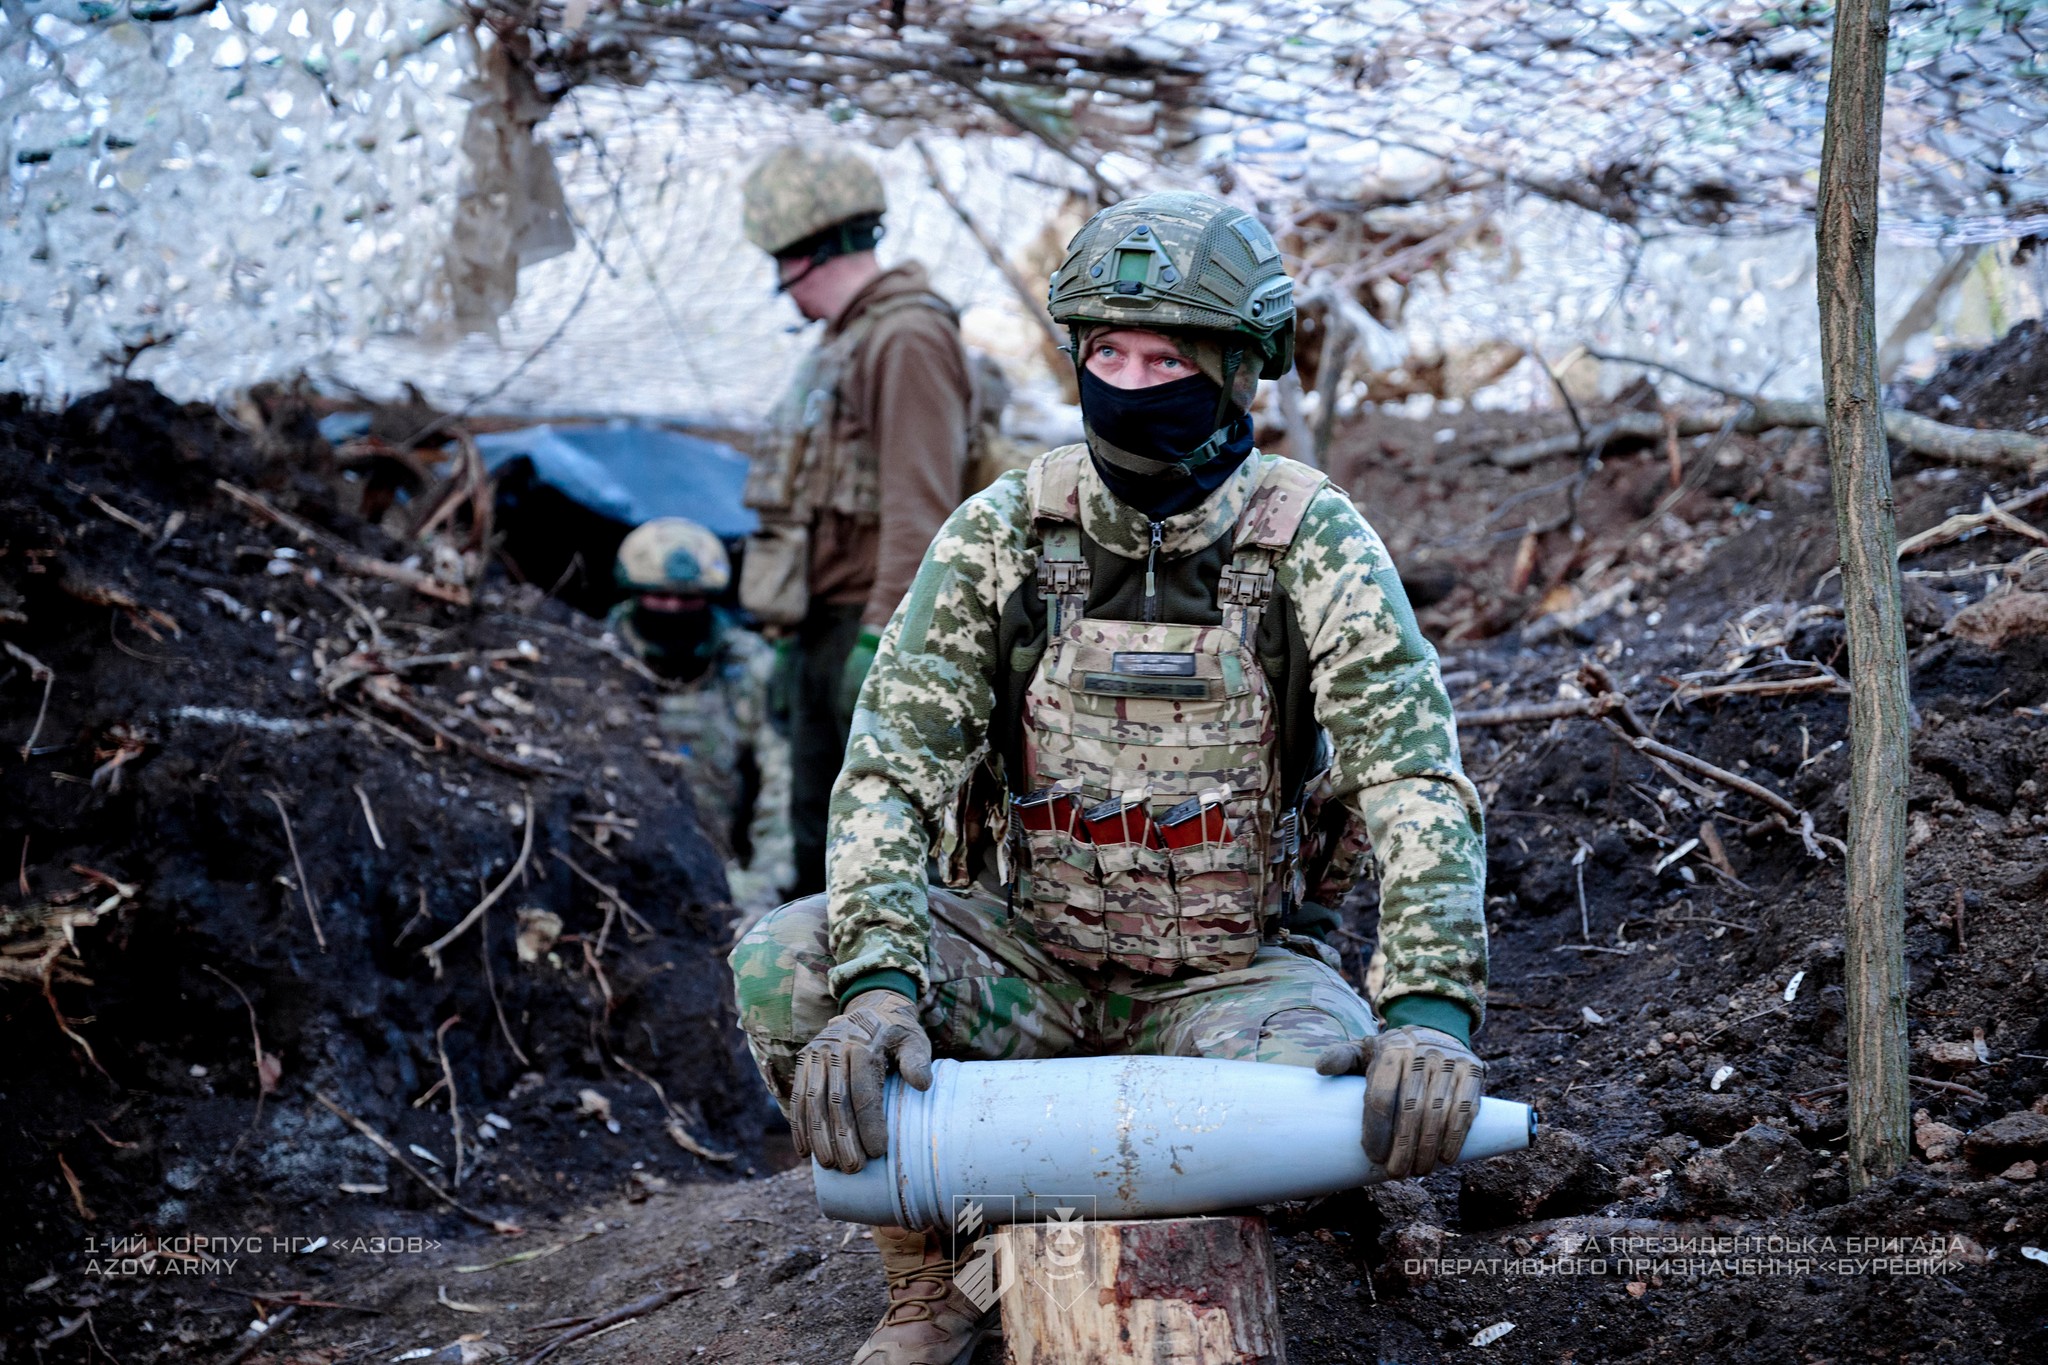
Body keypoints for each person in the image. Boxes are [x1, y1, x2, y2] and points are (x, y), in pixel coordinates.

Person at [729, 191, 1489, 1365]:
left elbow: (1411, 778)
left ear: (1240, 369)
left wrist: (1428, 1013)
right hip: (1021, 964)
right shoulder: (1004, 536)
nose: (1131, 384)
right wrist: (880, 984)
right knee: (790, 968)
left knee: (1328, 1101)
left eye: (1168, 358)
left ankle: (1123, 1219)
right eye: (1106, 354)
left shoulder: (1311, 541)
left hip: (1227, 984)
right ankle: (933, 1279)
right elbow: (887, 770)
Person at [736, 142, 975, 899]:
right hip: (823, 626)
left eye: (780, 264)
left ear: (804, 251)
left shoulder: (905, 337)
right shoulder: (850, 338)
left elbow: (923, 510)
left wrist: (881, 644)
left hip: (865, 627)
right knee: (816, 834)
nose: (783, 289)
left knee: (864, 846)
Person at [610, 518, 792, 918]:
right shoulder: (597, 661)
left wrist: (762, 886)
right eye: (660, 597)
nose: (674, 609)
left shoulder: (747, 666)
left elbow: (781, 780)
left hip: (722, 878)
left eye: (688, 599)